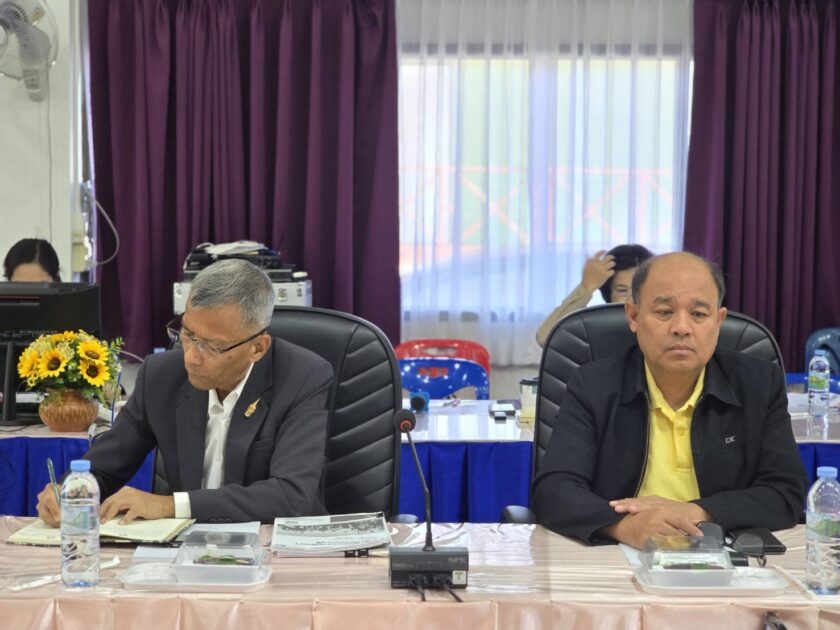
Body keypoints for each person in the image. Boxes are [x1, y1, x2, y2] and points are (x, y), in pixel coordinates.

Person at [532, 252, 808, 549]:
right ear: (633, 317)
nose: (682, 327)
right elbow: (554, 490)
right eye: (664, 312)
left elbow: (785, 492)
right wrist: (622, 526)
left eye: (699, 314)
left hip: (724, 552)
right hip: (619, 553)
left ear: (718, 321)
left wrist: (696, 512)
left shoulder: (758, 383)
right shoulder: (593, 385)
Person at [36, 259, 333, 525]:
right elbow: (106, 466)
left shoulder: (302, 377)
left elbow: (290, 496)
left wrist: (171, 505)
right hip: (183, 551)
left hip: (278, 553)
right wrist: (71, 491)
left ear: (257, 348)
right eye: (188, 335)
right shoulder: (161, 376)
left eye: (212, 347)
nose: (191, 357)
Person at [536, 244, 653, 347]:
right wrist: (586, 286)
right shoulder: (596, 324)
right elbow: (546, 338)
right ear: (609, 295)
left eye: (640, 290)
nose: (632, 299)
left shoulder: (658, 324)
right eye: (622, 290)